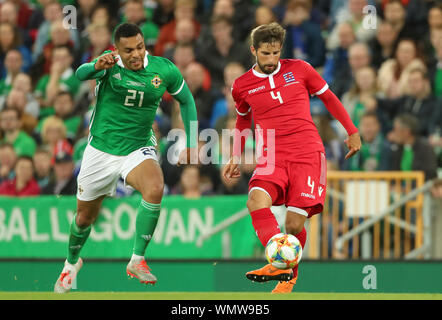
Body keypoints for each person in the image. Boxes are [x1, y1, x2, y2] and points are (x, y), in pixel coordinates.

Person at [53, 23, 197, 293]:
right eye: (128, 50)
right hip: (101, 150)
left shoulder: (163, 69)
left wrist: (191, 138)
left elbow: (187, 101)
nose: (136, 54)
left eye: (140, 47)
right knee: (84, 218)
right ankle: (71, 263)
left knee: (155, 188)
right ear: (117, 49)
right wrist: (97, 65)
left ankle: (137, 259)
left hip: (137, 147)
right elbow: (80, 73)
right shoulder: (108, 64)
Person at [222, 22, 361, 294]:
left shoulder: (300, 69)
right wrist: (235, 155)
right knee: (255, 201)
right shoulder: (241, 86)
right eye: (265, 54)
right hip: (271, 154)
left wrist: (352, 130)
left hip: (307, 152)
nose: (272, 59)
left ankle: (288, 276)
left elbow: (330, 98)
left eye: (275, 53)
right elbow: (242, 122)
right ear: (253, 51)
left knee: (294, 224)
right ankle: (278, 261)